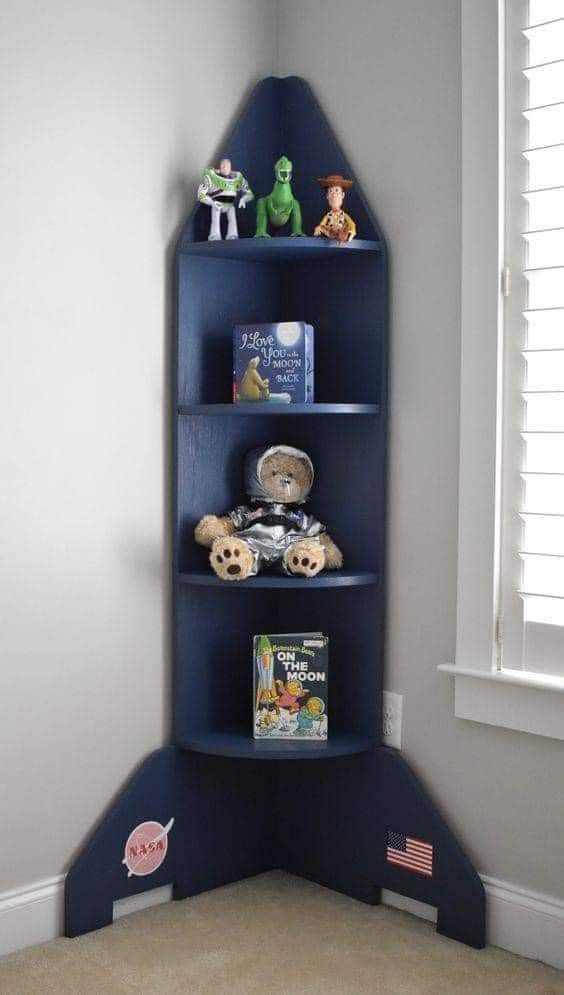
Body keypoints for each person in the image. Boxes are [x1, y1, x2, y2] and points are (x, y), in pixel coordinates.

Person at [197, 157, 253, 240]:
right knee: (215, 222)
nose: (225, 168)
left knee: (233, 221)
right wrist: (212, 203)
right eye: (223, 166)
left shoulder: (238, 179)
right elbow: (201, 196)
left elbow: (250, 194)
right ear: (219, 167)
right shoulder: (211, 178)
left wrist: (244, 199)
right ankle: (214, 235)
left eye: (227, 166)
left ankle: (232, 234)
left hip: (230, 205)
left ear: (230, 168)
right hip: (217, 204)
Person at [314, 173, 356, 242]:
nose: (334, 195)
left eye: (337, 190)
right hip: (331, 231)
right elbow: (322, 224)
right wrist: (319, 228)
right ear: (327, 196)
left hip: (341, 230)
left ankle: (340, 236)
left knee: (345, 230)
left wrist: (352, 231)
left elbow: (352, 224)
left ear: (342, 195)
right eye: (330, 191)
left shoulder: (344, 214)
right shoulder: (328, 215)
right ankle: (333, 235)